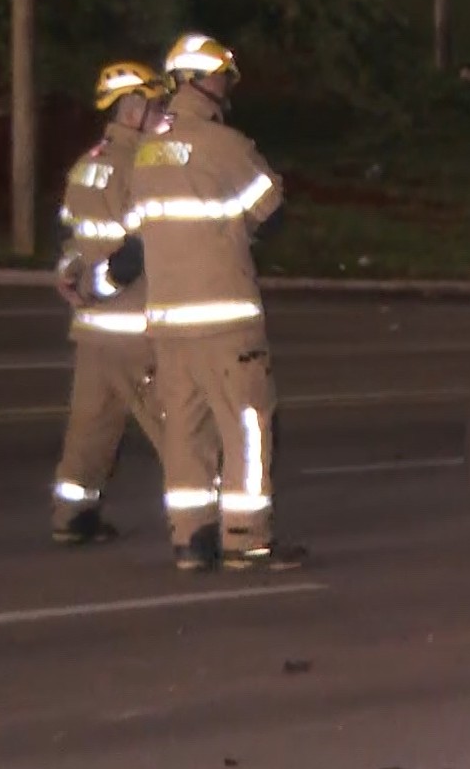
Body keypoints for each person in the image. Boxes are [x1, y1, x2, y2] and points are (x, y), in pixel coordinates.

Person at [127, 32, 303, 572]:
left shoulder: (147, 153)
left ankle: (191, 537)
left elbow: (138, 233)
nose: (227, 85)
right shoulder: (226, 147)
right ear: (201, 81)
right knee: (247, 426)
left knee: (185, 434)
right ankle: (246, 536)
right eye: (223, 75)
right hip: (226, 322)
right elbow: (270, 212)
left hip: (168, 325)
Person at [48, 62, 171, 545]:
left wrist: (71, 275)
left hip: (92, 329)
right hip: (134, 326)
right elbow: (147, 245)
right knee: (179, 428)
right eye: (157, 105)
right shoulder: (143, 166)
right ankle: (218, 525)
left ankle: (72, 516)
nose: (164, 115)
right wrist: (102, 280)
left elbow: (72, 234)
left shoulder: (87, 163)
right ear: (134, 108)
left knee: (91, 427)